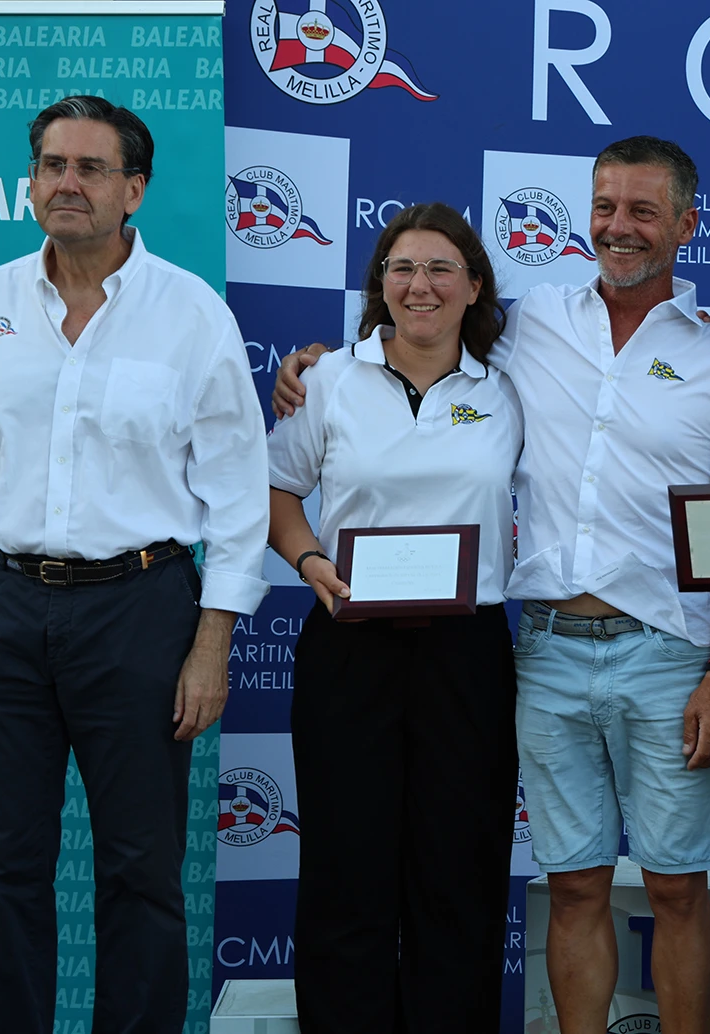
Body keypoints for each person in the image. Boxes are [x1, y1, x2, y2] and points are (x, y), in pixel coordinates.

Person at [274, 136, 710, 1034]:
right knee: (565, 886)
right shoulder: (533, 323)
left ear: (686, 224)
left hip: (657, 654)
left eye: (643, 211)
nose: (618, 227)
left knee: (668, 888)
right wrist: (316, 366)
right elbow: (410, 337)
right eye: (605, 207)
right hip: (537, 650)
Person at [0, 96, 269, 1034]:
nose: (67, 182)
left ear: (133, 190)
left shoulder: (191, 314)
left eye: (91, 168)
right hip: (3, 606)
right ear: (31, 182)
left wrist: (211, 646)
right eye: (52, 165)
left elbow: (238, 494)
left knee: (142, 869)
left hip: (142, 608)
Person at [265, 202, 523, 1032]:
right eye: (402, 268)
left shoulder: (507, 387)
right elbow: (276, 491)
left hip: (466, 652)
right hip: (350, 643)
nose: (421, 285)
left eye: (441, 268)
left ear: (474, 285)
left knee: (460, 867)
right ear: (379, 284)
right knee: (346, 865)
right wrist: (310, 562)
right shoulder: (328, 380)